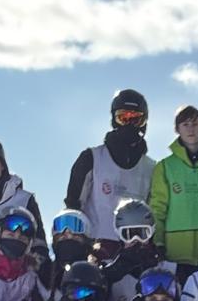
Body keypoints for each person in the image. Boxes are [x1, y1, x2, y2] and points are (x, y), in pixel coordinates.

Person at [148, 105, 198, 286]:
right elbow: (158, 208)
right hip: (175, 253)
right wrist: (158, 242)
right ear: (177, 129)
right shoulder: (165, 167)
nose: (191, 129)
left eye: (195, 124)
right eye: (185, 124)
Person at [65, 89, 155, 240]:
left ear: (144, 123)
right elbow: (73, 208)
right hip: (95, 250)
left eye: (136, 119)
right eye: (123, 118)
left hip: (134, 248)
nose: (129, 124)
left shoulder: (151, 168)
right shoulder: (91, 158)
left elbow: (154, 212)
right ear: (114, 120)